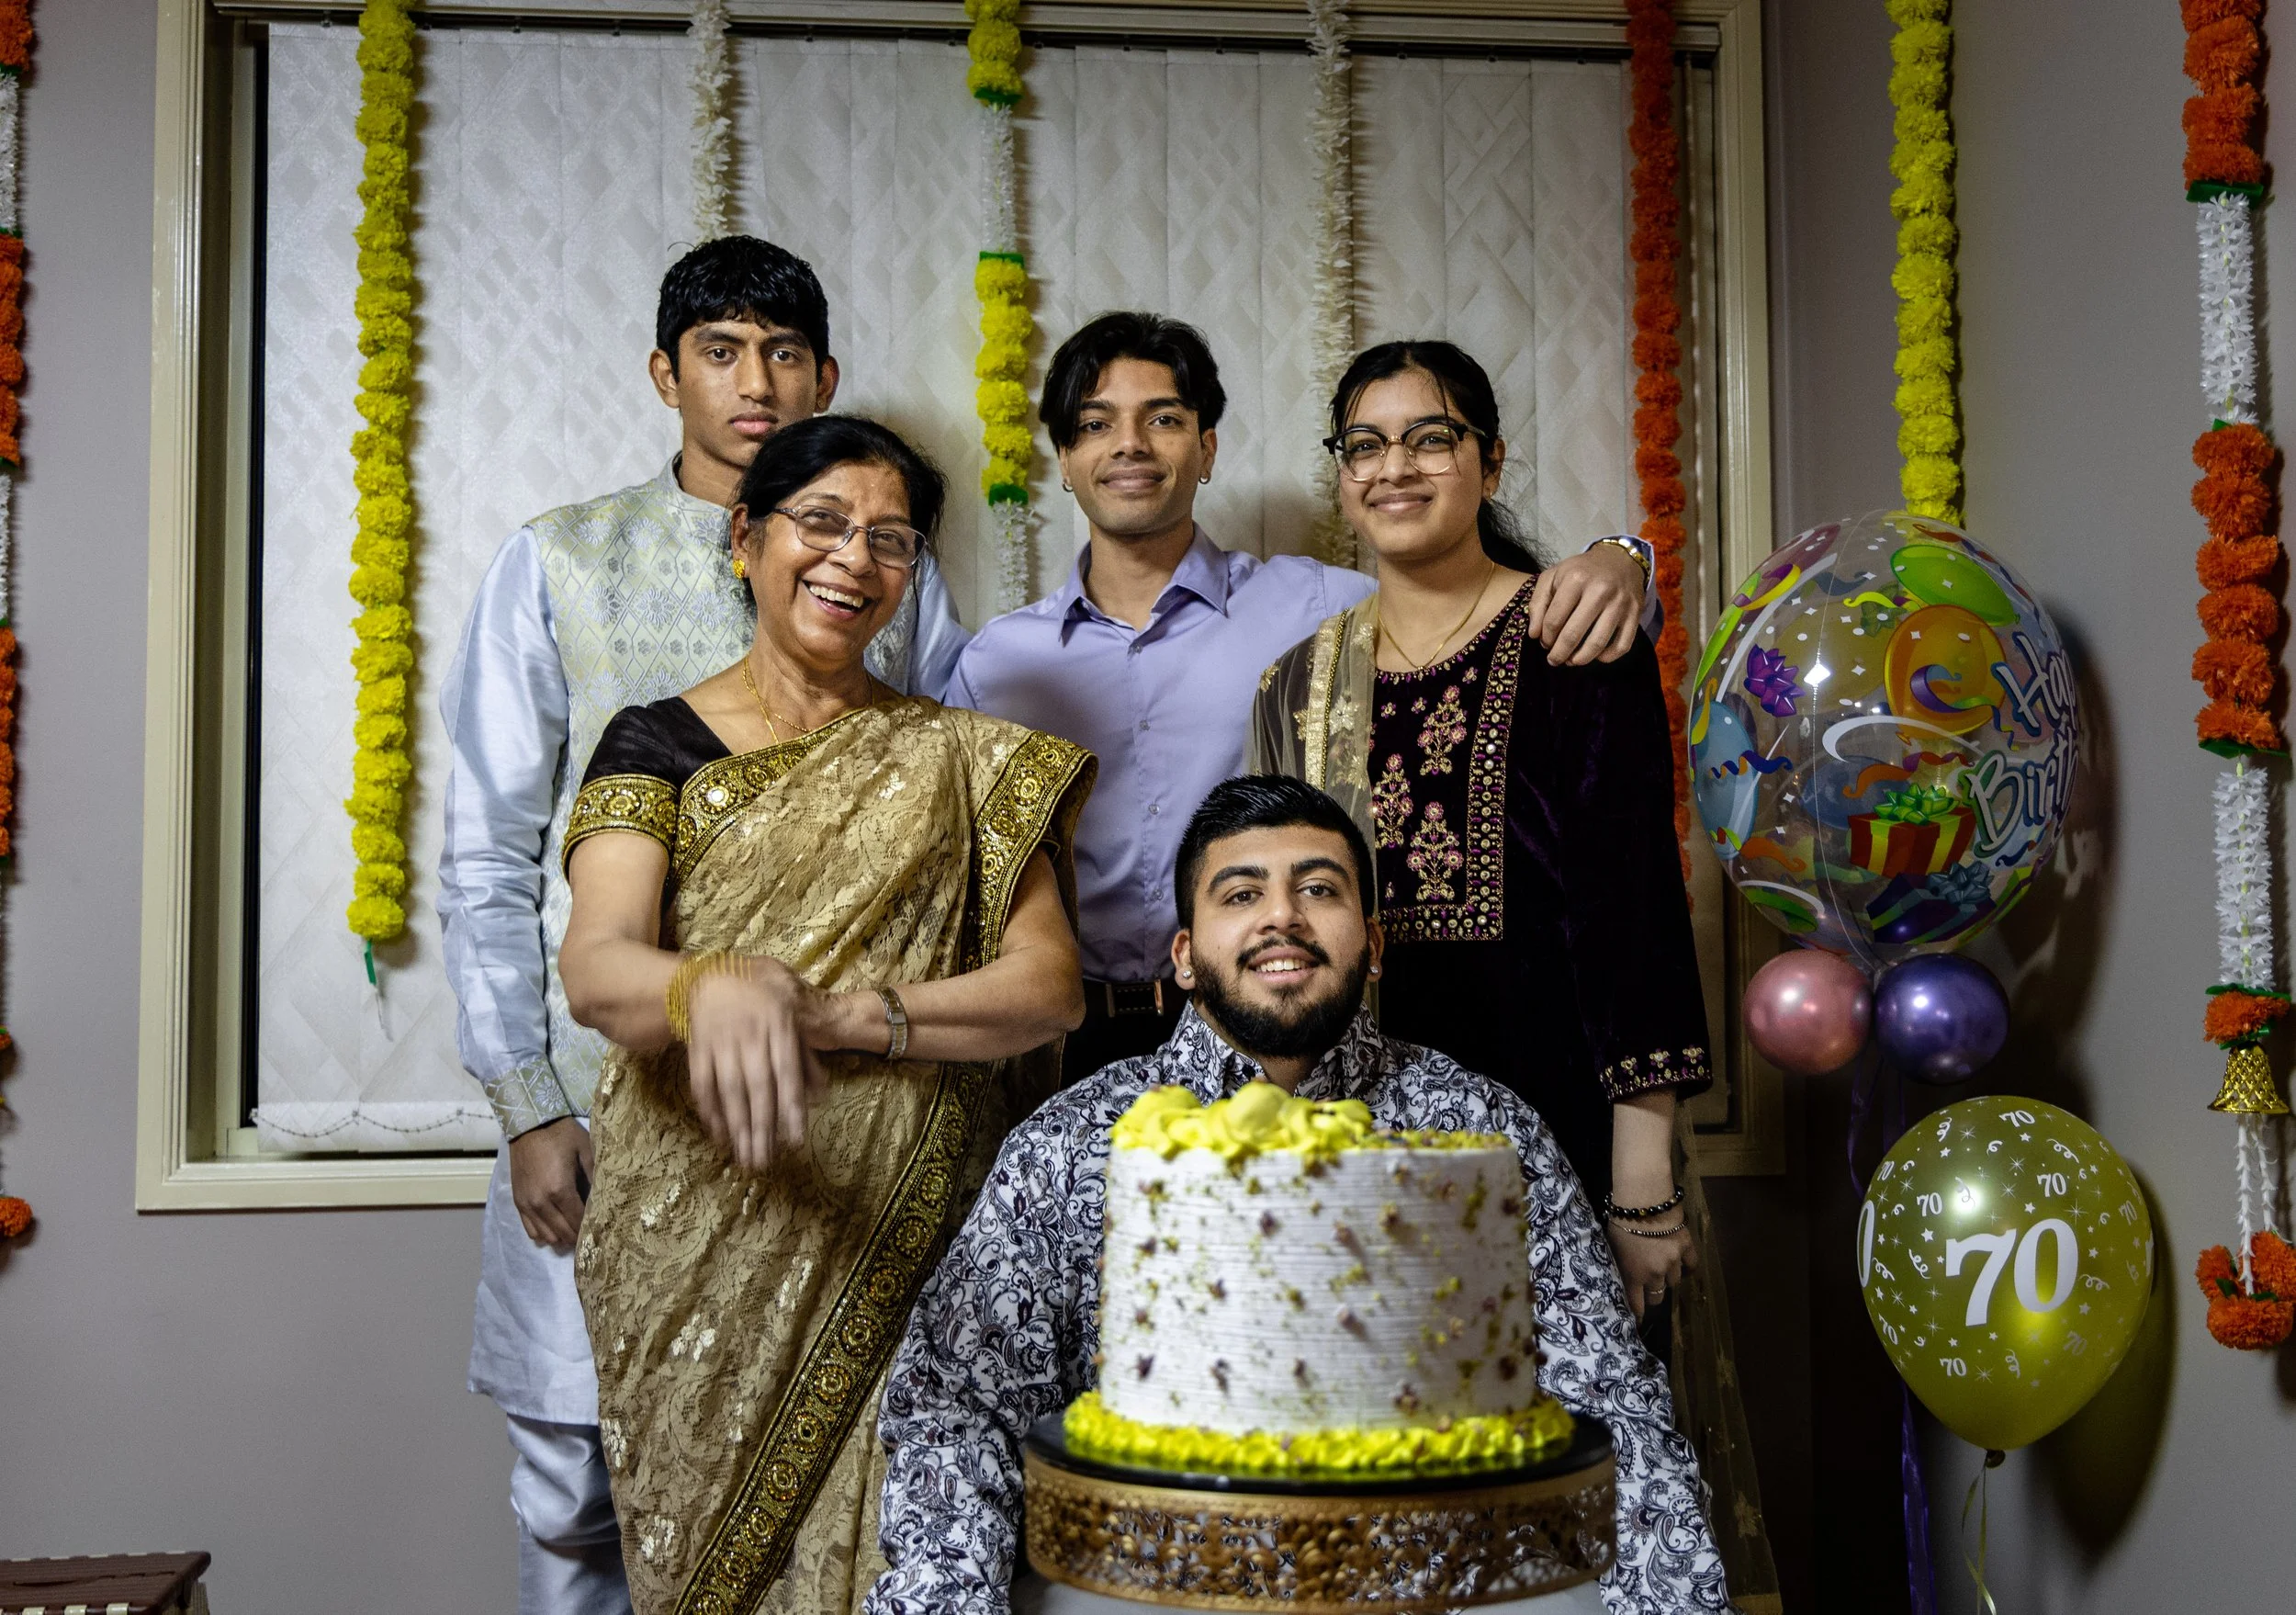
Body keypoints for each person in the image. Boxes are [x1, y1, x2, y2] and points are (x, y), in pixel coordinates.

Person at [436, 237, 969, 1614]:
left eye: (785, 353)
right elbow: (488, 853)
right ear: (665, 373)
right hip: (604, 1093)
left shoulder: (892, 568)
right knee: (575, 1485)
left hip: (829, 1106)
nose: (757, 381)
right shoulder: (558, 562)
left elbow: (955, 812)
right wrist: (526, 1102)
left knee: (825, 1470)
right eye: (722, 352)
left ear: (827, 375)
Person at [864, 776, 1729, 1615]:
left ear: (1374, 944)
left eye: (1319, 889)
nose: (1283, 915)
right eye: (1241, 895)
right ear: (1186, 958)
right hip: (1153, 1590)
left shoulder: (1477, 1133)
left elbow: (1611, 1407)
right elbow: (956, 1410)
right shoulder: (1073, 1145)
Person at [1248, 339, 1777, 1602]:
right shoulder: (1299, 680)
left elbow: (1633, 905)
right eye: (1365, 444)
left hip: (1560, 1116)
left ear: (1489, 458)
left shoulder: (1572, 636)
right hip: (1363, 1145)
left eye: (1430, 436)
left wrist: (1639, 1179)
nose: (1396, 467)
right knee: (1384, 1484)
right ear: (1340, 476)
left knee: (1565, 1486)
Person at [555, 415, 1094, 1614]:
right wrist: (710, 983)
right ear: (747, 537)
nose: (856, 559)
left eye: (891, 539)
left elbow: (1046, 986)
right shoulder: (655, 744)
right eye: (824, 523)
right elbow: (597, 970)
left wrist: (839, 1013)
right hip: (697, 1245)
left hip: (915, 1247)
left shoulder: (963, 761)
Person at [944, 312, 1657, 1081]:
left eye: (1165, 419)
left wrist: (1624, 561)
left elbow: (1473, 607)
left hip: (1265, 1024)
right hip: (1063, 1041)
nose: (1130, 445)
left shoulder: (1313, 607)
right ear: (1064, 456)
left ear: (1207, 448)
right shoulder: (998, 665)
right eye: (1095, 423)